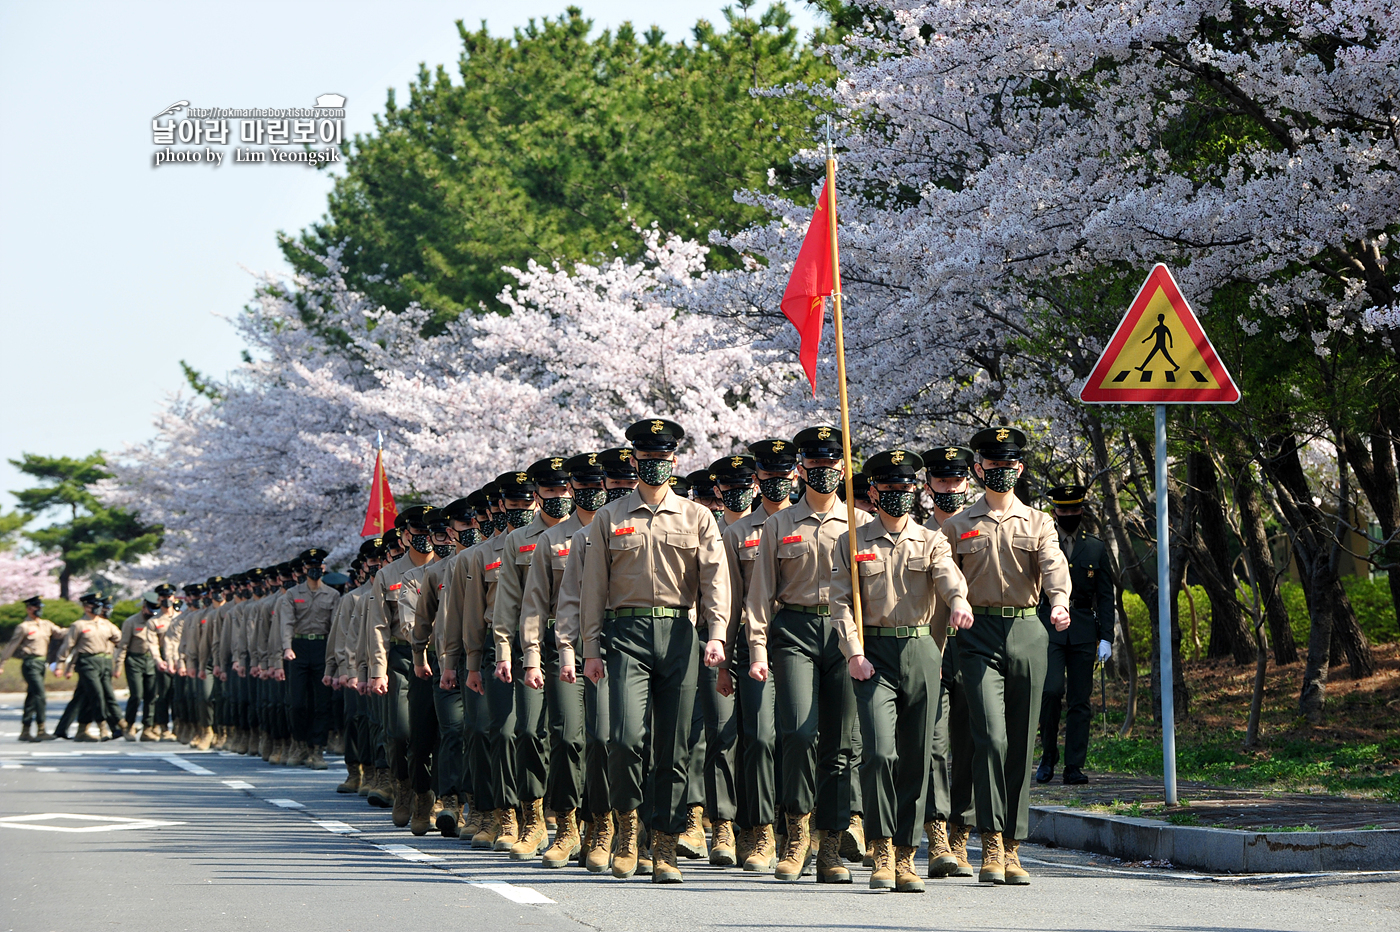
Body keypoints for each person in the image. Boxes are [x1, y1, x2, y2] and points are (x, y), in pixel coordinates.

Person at [580, 418, 731, 884]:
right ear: (633, 461)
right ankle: (628, 828)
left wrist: (718, 633)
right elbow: (592, 588)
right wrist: (589, 646)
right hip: (625, 635)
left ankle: (663, 844)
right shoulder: (610, 517)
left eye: (662, 459)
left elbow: (715, 578)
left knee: (673, 746)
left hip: (679, 635)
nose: (654, 465)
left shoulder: (696, 516)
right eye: (645, 459)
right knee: (623, 739)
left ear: (674, 461)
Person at [832, 449, 971, 892]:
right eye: (890, 490)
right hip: (873, 656)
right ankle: (882, 847)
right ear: (873, 492)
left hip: (922, 650)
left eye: (907, 489)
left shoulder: (932, 539)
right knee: (878, 754)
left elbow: (948, 575)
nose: (899, 496)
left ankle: (907, 855)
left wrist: (959, 600)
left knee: (917, 758)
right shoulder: (853, 541)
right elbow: (839, 601)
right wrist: (853, 651)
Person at [942, 426, 1070, 885]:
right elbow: (941, 579)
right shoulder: (956, 526)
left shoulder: (1038, 521)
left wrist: (1058, 601)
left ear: (1020, 468)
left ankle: (1013, 849)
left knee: (1020, 742)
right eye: (992, 466)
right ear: (978, 469)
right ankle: (989, 841)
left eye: (1009, 465)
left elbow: (1053, 562)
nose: (1001, 472)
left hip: (1027, 630)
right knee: (990, 737)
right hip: (975, 635)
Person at [744, 426, 869, 883]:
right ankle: (795, 834)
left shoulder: (859, 523)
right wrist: (757, 646)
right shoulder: (779, 523)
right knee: (797, 733)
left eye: (830, 465)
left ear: (843, 468)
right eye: (813, 466)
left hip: (844, 634)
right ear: (801, 470)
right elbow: (759, 596)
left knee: (839, 745)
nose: (822, 473)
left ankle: (830, 846)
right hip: (794, 629)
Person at [555, 448, 638, 873]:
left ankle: (647, 832)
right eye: (615, 483)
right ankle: (603, 825)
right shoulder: (592, 534)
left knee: (653, 743)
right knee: (604, 738)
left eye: (629, 482)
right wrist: (571, 649)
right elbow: (571, 598)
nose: (622, 490)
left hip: (655, 649)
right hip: (601, 648)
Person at [518, 455, 598, 867]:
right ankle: (565, 825)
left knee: (609, 740)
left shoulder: (617, 526)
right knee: (567, 736)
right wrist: (532, 656)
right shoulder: (552, 540)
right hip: (563, 646)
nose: (568, 494)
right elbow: (532, 605)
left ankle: (606, 826)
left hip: (612, 644)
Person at [494, 461, 574, 860]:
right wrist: (508, 652)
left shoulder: (591, 531)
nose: (559, 498)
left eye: (564, 490)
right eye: (550, 491)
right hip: (535, 644)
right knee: (527, 731)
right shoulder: (519, 541)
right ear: (537, 494)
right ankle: (532, 818)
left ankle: (574, 821)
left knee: (571, 735)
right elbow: (510, 601)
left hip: (579, 642)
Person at [919, 444, 979, 877]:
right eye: (942, 481)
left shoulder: (982, 527)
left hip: (974, 646)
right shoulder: (915, 533)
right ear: (928, 486)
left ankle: (963, 829)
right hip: (929, 648)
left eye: (957, 480)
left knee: (972, 742)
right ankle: (937, 831)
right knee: (934, 744)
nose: (950, 488)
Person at [1036, 484, 1116, 786]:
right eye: (1063, 510)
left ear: (1081, 510)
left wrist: (1106, 636)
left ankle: (1074, 765)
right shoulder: (1044, 543)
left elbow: (1106, 595)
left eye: (1074, 509)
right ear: (1054, 511)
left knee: (1080, 700)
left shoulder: (1095, 546)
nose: (1069, 514)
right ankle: (1048, 754)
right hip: (1049, 628)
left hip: (1083, 627)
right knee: (1051, 691)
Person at [368, 506, 440, 830]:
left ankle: (430, 796)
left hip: (438, 657)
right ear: (404, 535)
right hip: (401, 658)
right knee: (399, 732)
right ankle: (403, 786)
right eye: (417, 532)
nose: (424, 538)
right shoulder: (388, 575)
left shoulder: (448, 567)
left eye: (429, 531)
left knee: (437, 732)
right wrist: (378, 670)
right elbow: (379, 627)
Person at [280, 548, 341, 771]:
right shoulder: (292, 593)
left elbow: (335, 627)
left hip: (322, 648)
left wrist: (334, 654)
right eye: (310, 566)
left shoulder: (333, 595)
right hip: (298, 647)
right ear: (304, 569)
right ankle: (299, 743)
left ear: (323, 568)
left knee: (322, 702)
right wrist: (287, 647)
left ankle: (317, 749)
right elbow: (286, 622)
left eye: (318, 566)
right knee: (297, 702)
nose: (315, 570)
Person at [1, 596, 62, 741]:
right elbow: (12, 645)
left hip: (42, 663)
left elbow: (61, 633)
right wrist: (2, 663)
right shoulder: (24, 627)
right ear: (29, 609)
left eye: (40, 607)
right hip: (30, 663)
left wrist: (77, 628)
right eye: (36, 607)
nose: (39, 610)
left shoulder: (46, 624)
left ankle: (25, 730)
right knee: (40, 694)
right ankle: (41, 729)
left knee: (32, 696)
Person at [114, 591, 164, 740]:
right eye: (150, 609)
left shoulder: (157, 621)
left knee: (151, 696)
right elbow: (123, 645)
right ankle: (129, 725)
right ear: (144, 607)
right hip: (134, 660)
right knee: (136, 695)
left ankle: (147, 728)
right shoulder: (132, 622)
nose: (152, 613)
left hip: (152, 661)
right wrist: (118, 665)